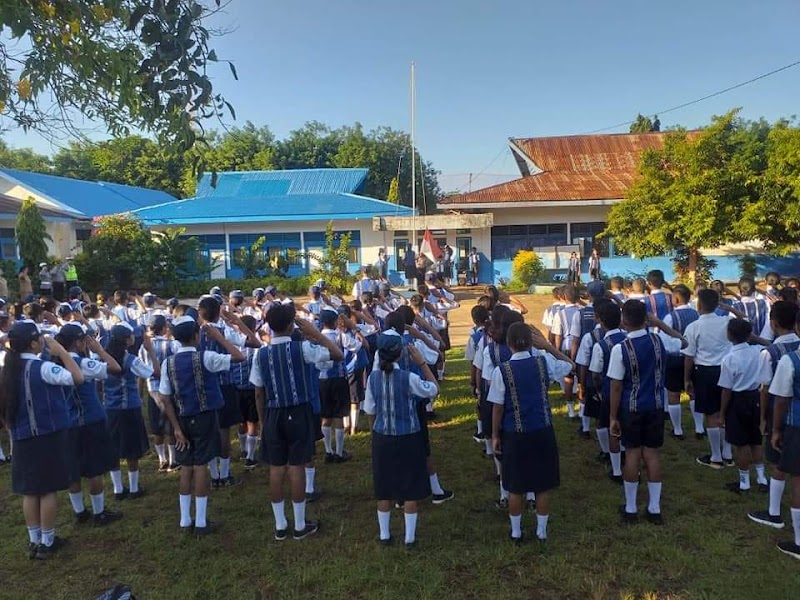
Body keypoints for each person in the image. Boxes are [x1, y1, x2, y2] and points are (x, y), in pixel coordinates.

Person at [250, 304, 343, 540]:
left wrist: (263, 421)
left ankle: (280, 524)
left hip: (273, 413)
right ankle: (300, 524)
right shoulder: (302, 349)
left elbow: (258, 392)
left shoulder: (260, 354)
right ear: (292, 325)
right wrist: (316, 333)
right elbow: (337, 354)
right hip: (298, 411)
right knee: (297, 466)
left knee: (276, 468)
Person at [0, 321, 84, 559]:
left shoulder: (8, 370)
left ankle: (34, 539)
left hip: (21, 437)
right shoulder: (43, 368)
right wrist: (61, 351)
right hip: (46, 436)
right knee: (47, 491)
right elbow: (77, 378)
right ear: (35, 343)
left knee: (30, 491)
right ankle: (48, 542)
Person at [157, 315, 243, 536]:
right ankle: (202, 521)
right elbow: (239, 356)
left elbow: (166, 398)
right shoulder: (206, 357)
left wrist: (175, 427)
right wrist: (220, 338)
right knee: (201, 466)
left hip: (181, 418)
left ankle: (186, 520)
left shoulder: (168, 363)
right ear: (197, 335)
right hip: (205, 417)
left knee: (186, 466)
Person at [490, 322, 573, 542]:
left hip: (514, 432)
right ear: (531, 342)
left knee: (515, 485)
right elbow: (569, 365)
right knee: (542, 484)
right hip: (542, 429)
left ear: (508, 344)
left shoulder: (502, 371)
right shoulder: (544, 362)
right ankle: (541, 530)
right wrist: (548, 346)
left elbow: (497, 407)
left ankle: (516, 531)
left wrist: (495, 434)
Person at [609, 301, 686, 524]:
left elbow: (615, 386)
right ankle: (654, 508)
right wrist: (659, 323)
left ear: (624, 321)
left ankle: (631, 508)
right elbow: (683, 341)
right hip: (655, 405)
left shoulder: (620, 348)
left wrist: (613, 416)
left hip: (631, 408)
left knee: (632, 454)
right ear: (647, 319)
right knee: (652, 455)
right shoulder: (658, 340)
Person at [364, 334, 439, 547]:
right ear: (400, 353)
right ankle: (409, 538)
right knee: (410, 487)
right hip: (408, 437)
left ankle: (385, 535)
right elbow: (434, 389)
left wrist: (375, 431)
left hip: (382, 437)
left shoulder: (373, 378)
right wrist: (422, 364)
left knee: (384, 486)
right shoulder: (409, 378)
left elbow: (370, 409)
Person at [56, 323, 124, 527]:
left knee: (73, 470)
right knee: (94, 469)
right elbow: (115, 368)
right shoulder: (81, 363)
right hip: (90, 420)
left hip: (67, 422)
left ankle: (79, 512)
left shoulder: (53, 362)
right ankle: (99, 512)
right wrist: (100, 350)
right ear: (78, 342)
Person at [749, 301, 800, 529]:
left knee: (780, 462)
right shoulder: (795, 346)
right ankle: (773, 511)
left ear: (774, 323)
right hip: (789, 418)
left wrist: (764, 421)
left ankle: (774, 513)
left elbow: (766, 390)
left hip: (785, 418)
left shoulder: (771, 353)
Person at [684, 289, 737, 469]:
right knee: (727, 410)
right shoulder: (727, 321)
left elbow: (689, 356)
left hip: (706, 372)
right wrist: (723, 306)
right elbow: (745, 319)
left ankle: (716, 456)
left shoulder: (694, 327)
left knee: (711, 414)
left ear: (699, 305)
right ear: (717, 304)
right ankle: (727, 453)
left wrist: (686, 379)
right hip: (727, 369)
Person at [718, 319, 771, 494]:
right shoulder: (758, 351)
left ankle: (744, 482)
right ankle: (762, 478)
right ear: (749, 334)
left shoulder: (729, 358)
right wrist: (754, 338)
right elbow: (768, 343)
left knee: (741, 444)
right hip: (756, 398)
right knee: (756, 440)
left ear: (729, 335)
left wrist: (722, 413)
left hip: (737, 400)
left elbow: (726, 389)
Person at [104, 323, 156, 500]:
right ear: (127, 340)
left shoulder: (103, 358)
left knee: (113, 449)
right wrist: (151, 352)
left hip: (110, 409)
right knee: (132, 450)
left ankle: (118, 489)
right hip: (129, 409)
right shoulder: (131, 360)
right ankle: (134, 488)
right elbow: (152, 373)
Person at [763, 319, 800, 559]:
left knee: (798, 480)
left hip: (796, 425)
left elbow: (781, 399)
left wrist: (775, 430)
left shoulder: (791, 360)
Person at [589, 300, 628, 482]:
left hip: (609, 392)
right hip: (630, 392)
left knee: (608, 426)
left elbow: (596, 374)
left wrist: (597, 389)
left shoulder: (601, 345)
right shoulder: (629, 338)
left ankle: (616, 470)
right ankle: (625, 455)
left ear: (601, 321)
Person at [318, 308, 361, 463]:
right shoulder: (340, 336)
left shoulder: (317, 338)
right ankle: (339, 451)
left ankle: (328, 450)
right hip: (338, 378)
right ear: (336, 321)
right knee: (339, 415)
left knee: (326, 416)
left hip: (322, 379)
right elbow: (356, 346)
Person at [139, 315, 178, 472]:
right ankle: (173, 460)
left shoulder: (143, 347)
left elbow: (140, 370)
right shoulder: (170, 345)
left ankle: (162, 460)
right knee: (170, 425)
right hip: (168, 389)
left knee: (156, 427)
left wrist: (139, 392)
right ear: (164, 328)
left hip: (152, 389)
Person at [662, 285, 699, 440]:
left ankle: (677, 430)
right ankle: (699, 428)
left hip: (676, 358)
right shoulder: (697, 314)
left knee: (673, 394)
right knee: (693, 393)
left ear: (676, 299)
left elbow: (665, 341)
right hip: (695, 358)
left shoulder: (670, 317)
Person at [552, 285, 581, 420]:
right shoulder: (582, 310)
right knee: (582, 379)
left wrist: (556, 351)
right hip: (581, 346)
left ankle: (570, 409)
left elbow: (558, 334)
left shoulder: (560, 313)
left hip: (567, 346)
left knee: (568, 378)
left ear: (563, 297)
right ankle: (582, 408)